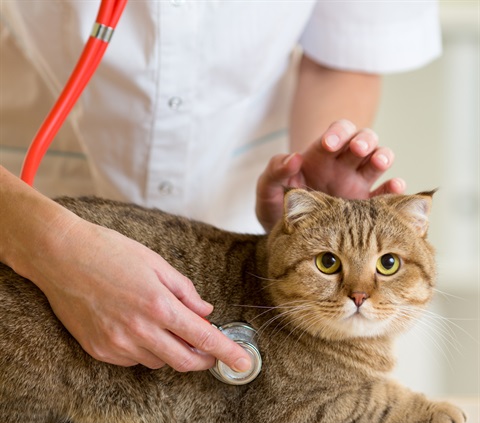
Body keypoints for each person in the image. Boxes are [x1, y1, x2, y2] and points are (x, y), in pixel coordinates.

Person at [0, 1, 441, 373]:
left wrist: (314, 212)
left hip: (240, 232)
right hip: (32, 215)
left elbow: (346, 47)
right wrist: (48, 243)